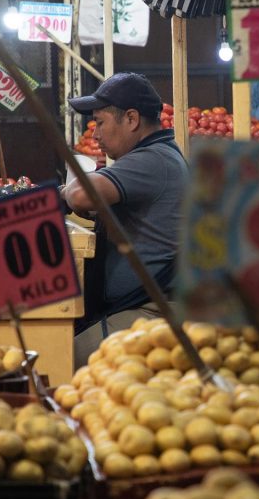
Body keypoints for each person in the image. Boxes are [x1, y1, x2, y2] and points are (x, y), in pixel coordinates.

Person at [62, 72, 188, 365]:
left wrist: (65, 190)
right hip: (138, 307)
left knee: (57, 361)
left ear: (131, 119)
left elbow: (81, 195)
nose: (95, 135)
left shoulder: (152, 159)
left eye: (101, 122)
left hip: (149, 313)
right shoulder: (158, 155)